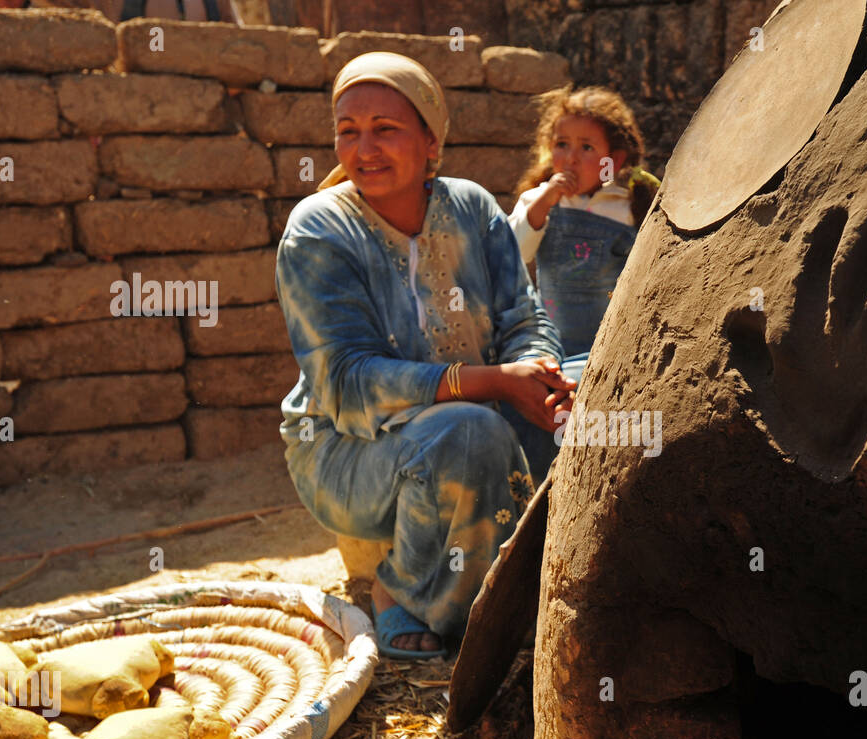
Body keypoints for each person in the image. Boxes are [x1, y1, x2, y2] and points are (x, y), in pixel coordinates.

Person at [275, 52, 576, 661]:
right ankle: (405, 593)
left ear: (430, 140)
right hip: (348, 450)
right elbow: (346, 383)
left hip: (477, 414)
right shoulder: (318, 230)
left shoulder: (470, 207)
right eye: (348, 131)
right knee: (469, 434)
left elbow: (523, 316)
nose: (365, 149)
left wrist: (542, 376)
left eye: (385, 129)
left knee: (597, 386)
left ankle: (564, 576)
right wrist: (492, 380)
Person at [508, 85, 661, 385]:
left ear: (613, 161)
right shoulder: (537, 200)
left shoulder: (629, 207)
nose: (570, 159)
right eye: (561, 144)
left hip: (607, 348)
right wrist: (544, 202)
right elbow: (512, 253)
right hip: (548, 342)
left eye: (586, 148)